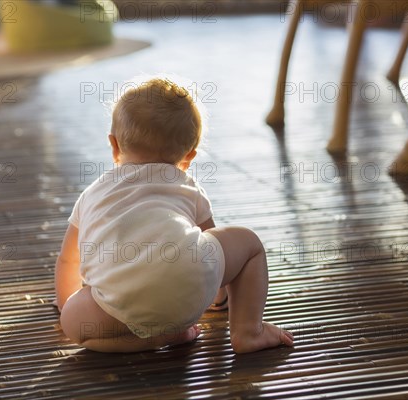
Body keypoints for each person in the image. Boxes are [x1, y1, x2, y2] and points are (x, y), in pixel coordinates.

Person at [55, 77, 294, 353]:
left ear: (114, 145)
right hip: (189, 298)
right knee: (249, 244)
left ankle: (153, 340)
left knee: (74, 322)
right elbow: (211, 241)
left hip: (118, 308)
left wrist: (68, 304)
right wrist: (217, 295)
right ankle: (249, 331)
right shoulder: (188, 187)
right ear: (189, 157)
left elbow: (68, 258)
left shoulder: (94, 193)